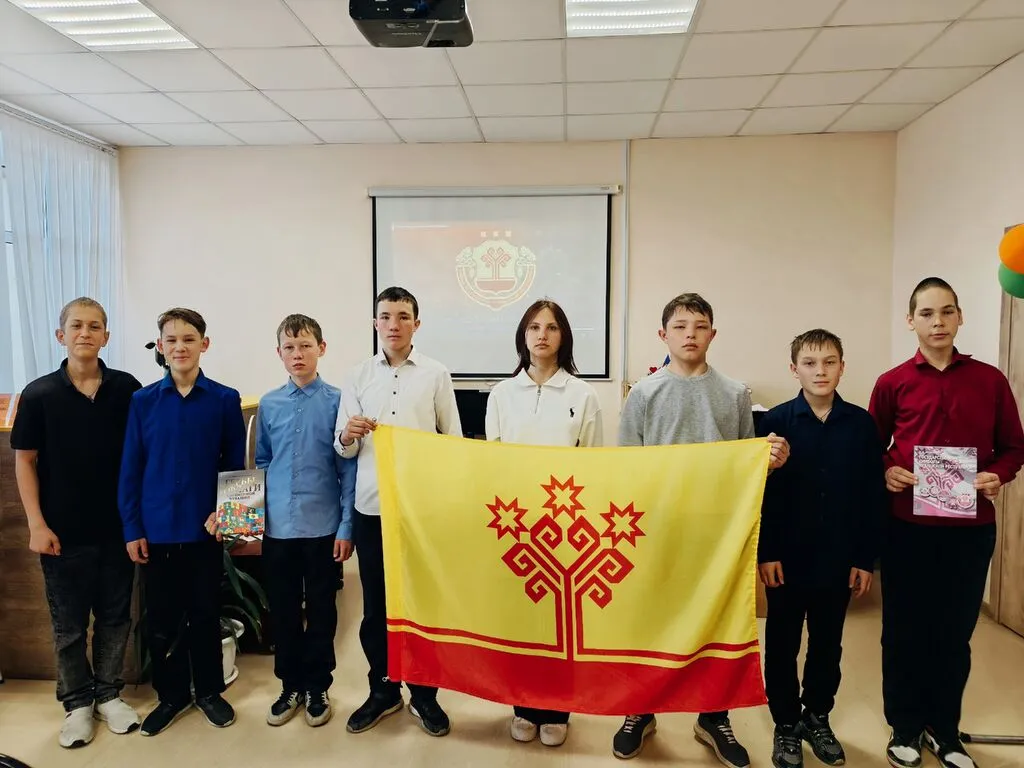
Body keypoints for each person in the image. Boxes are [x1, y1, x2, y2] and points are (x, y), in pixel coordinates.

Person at [613, 292, 790, 768]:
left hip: (716, 532)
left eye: (700, 326)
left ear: (713, 334)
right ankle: (640, 709)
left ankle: (714, 715)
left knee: (719, 619)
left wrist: (768, 461)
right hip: (656, 529)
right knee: (649, 620)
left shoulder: (734, 393)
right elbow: (626, 468)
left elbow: (743, 462)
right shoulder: (643, 394)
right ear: (663, 334)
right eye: (680, 326)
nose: (690, 334)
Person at [869, 278, 1024, 768]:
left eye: (947, 312)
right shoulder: (892, 382)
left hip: (969, 531)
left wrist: (997, 475)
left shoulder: (990, 381)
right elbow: (871, 446)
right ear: (910, 321)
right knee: (903, 631)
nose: (938, 322)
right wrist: (887, 469)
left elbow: (1014, 448)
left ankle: (945, 729)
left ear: (960, 317)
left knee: (954, 635)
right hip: (906, 528)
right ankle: (905, 726)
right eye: (927, 313)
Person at [11, 297, 142, 748]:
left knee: (114, 619)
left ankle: (108, 694)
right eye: (76, 326)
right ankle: (77, 703)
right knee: (68, 627)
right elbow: (25, 462)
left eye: (95, 326)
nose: (85, 333)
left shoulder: (127, 389)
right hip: (61, 534)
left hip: (118, 530)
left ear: (107, 336)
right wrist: (36, 524)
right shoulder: (38, 394)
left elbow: (140, 455)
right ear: (60, 335)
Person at [335, 286, 462, 738]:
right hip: (372, 508)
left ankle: (425, 694)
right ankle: (384, 690)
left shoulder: (436, 374)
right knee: (376, 608)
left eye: (403, 316)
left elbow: (452, 443)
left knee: (422, 605)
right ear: (375, 323)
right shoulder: (356, 375)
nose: (394, 324)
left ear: (416, 324)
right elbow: (343, 449)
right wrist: (348, 435)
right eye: (386, 316)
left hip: (421, 510)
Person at [756, 328, 885, 768]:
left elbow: (871, 496)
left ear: (842, 367)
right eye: (810, 363)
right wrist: (766, 552)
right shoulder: (774, 423)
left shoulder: (862, 425)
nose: (820, 371)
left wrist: (864, 559)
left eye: (829, 362)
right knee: (782, 642)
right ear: (794, 369)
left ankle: (817, 716)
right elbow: (762, 496)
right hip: (786, 559)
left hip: (838, 559)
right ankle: (785, 722)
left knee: (828, 644)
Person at [118, 307, 246, 736]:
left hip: (204, 530)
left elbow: (235, 465)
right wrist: (133, 529)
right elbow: (131, 469)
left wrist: (226, 514)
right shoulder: (142, 402)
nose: (180, 347)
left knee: (205, 613)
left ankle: (209, 691)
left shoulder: (224, 399)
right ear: (160, 346)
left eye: (189, 339)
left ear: (204, 344)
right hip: (155, 531)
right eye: (171, 340)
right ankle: (171, 696)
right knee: (161, 620)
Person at [485, 299, 603, 748]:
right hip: (516, 523)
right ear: (523, 335)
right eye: (534, 327)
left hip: (565, 524)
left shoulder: (582, 394)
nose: (542, 335)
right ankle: (523, 705)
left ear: (563, 336)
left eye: (551, 328)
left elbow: (593, 464)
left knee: (560, 621)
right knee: (519, 619)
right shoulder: (501, 393)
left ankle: (557, 708)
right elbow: (493, 463)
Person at [239, 314, 356, 728]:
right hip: (278, 529)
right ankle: (290, 685)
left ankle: (318, 686)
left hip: (323, 526)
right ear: (279, 353)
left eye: (305, 345)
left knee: (322, 611)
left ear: (321, 349)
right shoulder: (269, 404)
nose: (298, 354)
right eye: (289, 347)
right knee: (284, 610)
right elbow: (263, 461)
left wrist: (346, 526)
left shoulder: (339, 401)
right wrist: (251, 520)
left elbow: (348, 468)